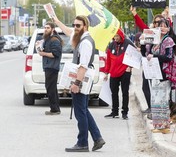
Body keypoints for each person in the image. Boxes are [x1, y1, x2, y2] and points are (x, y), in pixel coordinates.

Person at [53, 15, 105, 152]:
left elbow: (83, 66)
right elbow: (68, 32)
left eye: (78, 26)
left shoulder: (86, 43)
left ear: (85, 27)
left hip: (82, 80)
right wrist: (57, 21)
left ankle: (82, 143)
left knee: (80, 112)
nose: (75, 28)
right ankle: (97, 138)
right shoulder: (80, 37)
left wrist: (76, 83)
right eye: (74, 25)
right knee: (83, 110)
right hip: (82, 79)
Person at [140, 19, 176, 134]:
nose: (162, 28)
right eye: (160, 26)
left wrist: (155, 57)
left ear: (168, 28)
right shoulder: (154, 40)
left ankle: (164, 126)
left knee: (162, 100)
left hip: (164, 74)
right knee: (155, 100)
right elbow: (145, 54)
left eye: (164, 26)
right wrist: (142, 43)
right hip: (154, 73)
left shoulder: (168, 40)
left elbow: (169, 57)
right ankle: (158, 125)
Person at [103, 28, 135, 120]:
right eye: (114, 36)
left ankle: (125, 112)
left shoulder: (128, 43)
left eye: (117, 36)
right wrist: (106, 72)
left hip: (125, 71)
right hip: (113, 72)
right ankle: (114, 111)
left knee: (125, 92)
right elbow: (108, 60)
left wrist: (130, 66)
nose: (115, 38)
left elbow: (135, 55)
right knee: (114, 92)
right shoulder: (111, 45)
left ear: (121, 36)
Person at [37, 22, 63, 115]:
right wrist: (40, 47)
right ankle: (55, 108)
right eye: (45, 27)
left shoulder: (54, 40)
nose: (46, 29)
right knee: (52, 88)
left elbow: (55, 54)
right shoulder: (48, 39)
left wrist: (43, 53)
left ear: (52, 29)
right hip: (48, 66)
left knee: (50, 88)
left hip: (52, 67)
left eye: (48, 28)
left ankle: (54, 109)